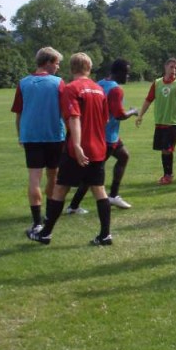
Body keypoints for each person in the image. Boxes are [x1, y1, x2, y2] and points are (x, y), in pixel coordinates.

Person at [27, 53, 113, 246]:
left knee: (60, 189)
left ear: (72, 68)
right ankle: (105, 235)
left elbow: (74, 117)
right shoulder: (99, 89)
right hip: (99, 147)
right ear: (89, 68)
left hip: (78, 149)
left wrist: (77, 145)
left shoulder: (71, 88)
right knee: (99, 190)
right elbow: (105, 119)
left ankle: (45, 234)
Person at [66, 59, 138, 213]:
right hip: (106, 137)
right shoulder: (116, 90)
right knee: (92, 174)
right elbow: (119, 115)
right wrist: (133, 111)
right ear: (119, 72)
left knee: (124, 156)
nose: (128, 76)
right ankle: (74, 206)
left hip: (102, 133)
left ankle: (113, 195)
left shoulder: (99, 83)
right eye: (126, 73)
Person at [11, 47, 65, 233]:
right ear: (48, 62)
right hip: (54, 136)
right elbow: (66, 112)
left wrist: (20, 134)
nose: (58, 67)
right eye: (57, 63)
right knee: (53, 176)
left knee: (34, 178)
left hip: (31, 136)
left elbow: (19, 113)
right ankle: (49, 216)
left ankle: (37, 222)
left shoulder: (23, 83)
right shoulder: (58, 83)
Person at [135, 58, 176, 185]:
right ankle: (167, 174)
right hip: (160, 121)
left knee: (167, 149)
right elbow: (148, 100)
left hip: (173, 122)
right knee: (163, 149)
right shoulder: (157, 83)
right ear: (165, 67)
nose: (174, 70)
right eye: (171, 67)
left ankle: (168, 175)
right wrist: (140, 115)